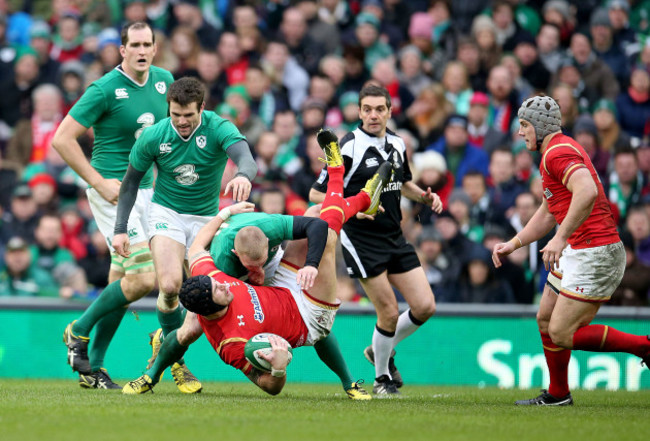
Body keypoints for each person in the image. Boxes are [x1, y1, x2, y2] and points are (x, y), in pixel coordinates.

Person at [126, 134, 391, 397]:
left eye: (218, 281)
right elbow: (269, 387)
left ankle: (353, 188)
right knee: (329, 237)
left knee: (314, 215)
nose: (224, 283)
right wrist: (277, 370)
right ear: (213, 306)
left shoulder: (212, 277)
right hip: (309, 315)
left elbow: (196, 249)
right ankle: (351, 188)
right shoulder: (232, 344)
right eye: (219, 289)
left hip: (283, 287)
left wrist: (224, 213)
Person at [493, 96, 650, 406]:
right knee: (545, 319)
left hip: (596, 253)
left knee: (562, 333)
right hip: (581, 249)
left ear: (538, 127)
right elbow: (549, 211)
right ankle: (558, 394)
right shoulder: (556, 150)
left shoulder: (558, 152)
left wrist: (559, 238)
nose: (520, 132)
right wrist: (514, 243)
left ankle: (644, 346)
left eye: (524, 125)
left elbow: (587, 191)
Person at [112, 76, 257, 394]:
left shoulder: (218, 127)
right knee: (169, 286)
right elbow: (130, 183)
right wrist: (120, 228)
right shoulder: (154, 136)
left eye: (188, 115)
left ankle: (163, 341)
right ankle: (176, 362)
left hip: (207, 219)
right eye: (175, 114)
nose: (181, 121)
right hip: (166, 214)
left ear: (201, 108)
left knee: (206, 299)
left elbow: (246, 157)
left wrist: (244, 175)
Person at [53, 21, 174, 390]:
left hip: (151, 191)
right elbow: (62, 139)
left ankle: (94, 368)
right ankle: (79, 329)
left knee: (121, 283)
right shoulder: (104, 88)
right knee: (145, 279)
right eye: (134, 44)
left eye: (147, 44)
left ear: (155, 49)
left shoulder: (165, 81)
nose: (141, 50)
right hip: (113, 192)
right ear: (122, 50)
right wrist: (96, 181)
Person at [310, 85, 443, 396]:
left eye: (379, 109)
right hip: (360, 240)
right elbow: (317, 193)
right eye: (367, 109)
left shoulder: (397, 143)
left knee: (425, 306)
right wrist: (354, 211)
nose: (373, 115)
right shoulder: (348, 146)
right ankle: (382, 378)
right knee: (389, 312)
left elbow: (403, 182)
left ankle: (380, 348)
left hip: (394, 236)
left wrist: (424, 196)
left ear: (389, 111)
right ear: (358, 112)